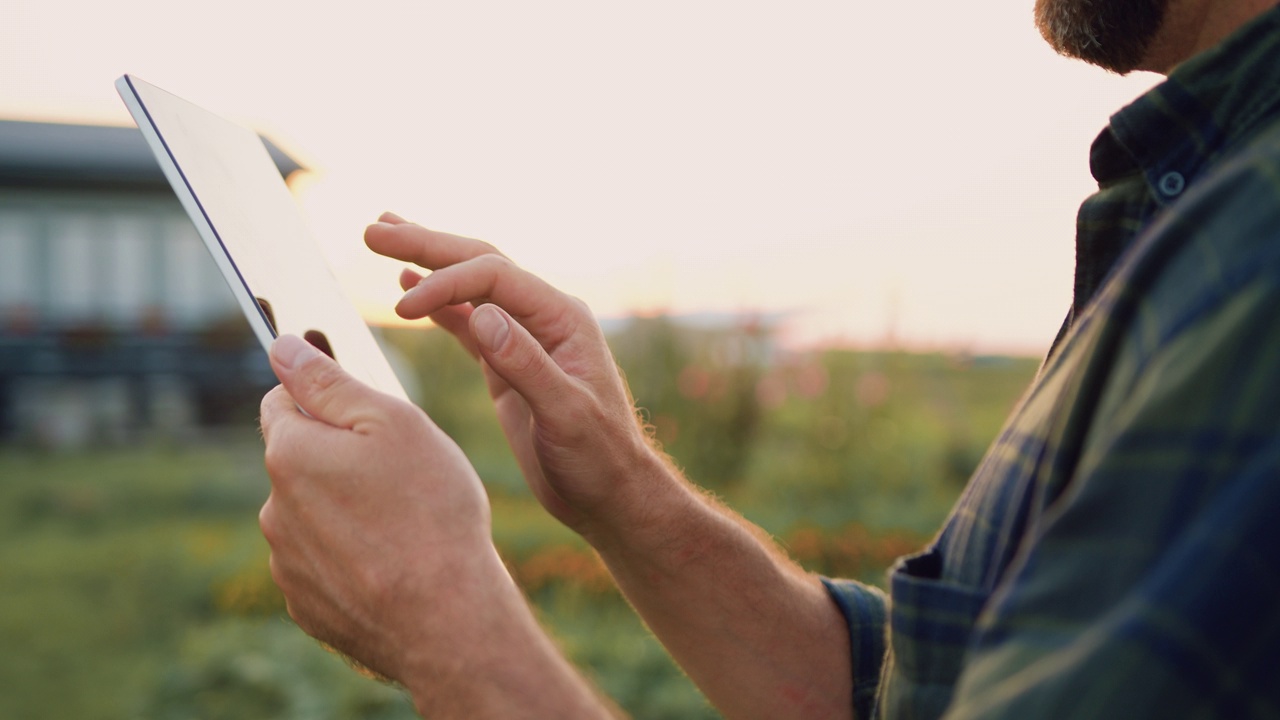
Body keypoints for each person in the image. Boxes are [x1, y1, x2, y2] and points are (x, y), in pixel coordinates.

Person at [256, 0, 1280, 716]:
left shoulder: (1257, 248)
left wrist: (443, 618)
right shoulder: (1209, 195)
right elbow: (929, 698)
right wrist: (618, 486)